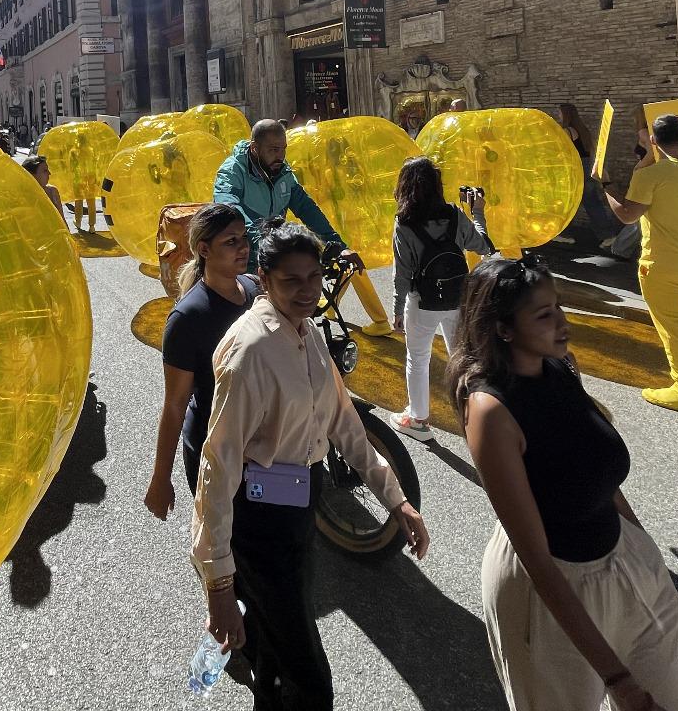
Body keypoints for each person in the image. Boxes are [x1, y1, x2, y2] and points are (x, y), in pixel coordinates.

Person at [193, 222, 428, 710]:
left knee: (278, 656)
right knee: (311, 677)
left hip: (299, 504)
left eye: (314, 276)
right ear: (264, 277)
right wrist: (218, 583)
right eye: (291, 280)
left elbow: (345, 423)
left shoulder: (306, 332)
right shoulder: (251, 352)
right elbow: (217, 467)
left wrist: (396, 500)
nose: (307, 290)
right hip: (257, 523)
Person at [450, 256, 678, 711]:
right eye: (544, 315)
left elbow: (598, 472)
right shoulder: (489, 411)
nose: (563, 322)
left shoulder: (562, 367)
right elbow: (537, 560)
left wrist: (645, 553)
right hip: (549, 592)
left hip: (626, 568)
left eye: (559, 306)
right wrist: (618, 680)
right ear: (503, 329)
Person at [212, 119, 390, 333]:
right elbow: (229, 206)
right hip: (244, 257)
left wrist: (337, 245)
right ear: (254, 148)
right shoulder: (233, 170)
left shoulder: (283, 173)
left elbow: (307, 208)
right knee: (245, 326)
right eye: (273, 149)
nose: (280, 156)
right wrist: (263, 241)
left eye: (283, 149)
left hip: (273, 256)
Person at [603, 115, 678, 415]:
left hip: (660, 263)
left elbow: (628, 215)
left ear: (654, 141)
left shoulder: (651, 175)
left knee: (670, 325)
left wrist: (605, 186)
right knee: (676, 320)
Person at [146, 204, 260, 514]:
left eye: (244, 238)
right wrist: (160, 478)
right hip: (215, 450)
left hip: (258, 445)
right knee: (220, 546)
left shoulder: (254, 289)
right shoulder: (187, 318)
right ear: (204, 249)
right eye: (231, 241)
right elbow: (174, 404)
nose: (243, 247)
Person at [389, 157, 493, 440]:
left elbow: (402, 273)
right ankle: (477, 417)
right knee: (463, 359)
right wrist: (478, 212)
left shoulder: (404, 223)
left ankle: (418, 420)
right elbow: (484, 245)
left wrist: (397, 309)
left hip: (422, 302)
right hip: (458, 298)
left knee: (418, 359)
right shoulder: (456, 215)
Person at [555, 103, 618, 248]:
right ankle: (608, 234)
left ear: (565, 115)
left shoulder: (566, 131)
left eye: (559, 113)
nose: (558, 115)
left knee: (568, 203)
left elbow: (562, 152)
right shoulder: (583, 130)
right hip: (586, 167)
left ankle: (563, 233)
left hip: (574, 169)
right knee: (591, 202)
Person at [21, 154, 65, 219]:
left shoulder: (52, 191)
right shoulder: (21, 196)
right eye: (45, 171)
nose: (49, 173)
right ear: (31, 175)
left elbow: (62, 220)